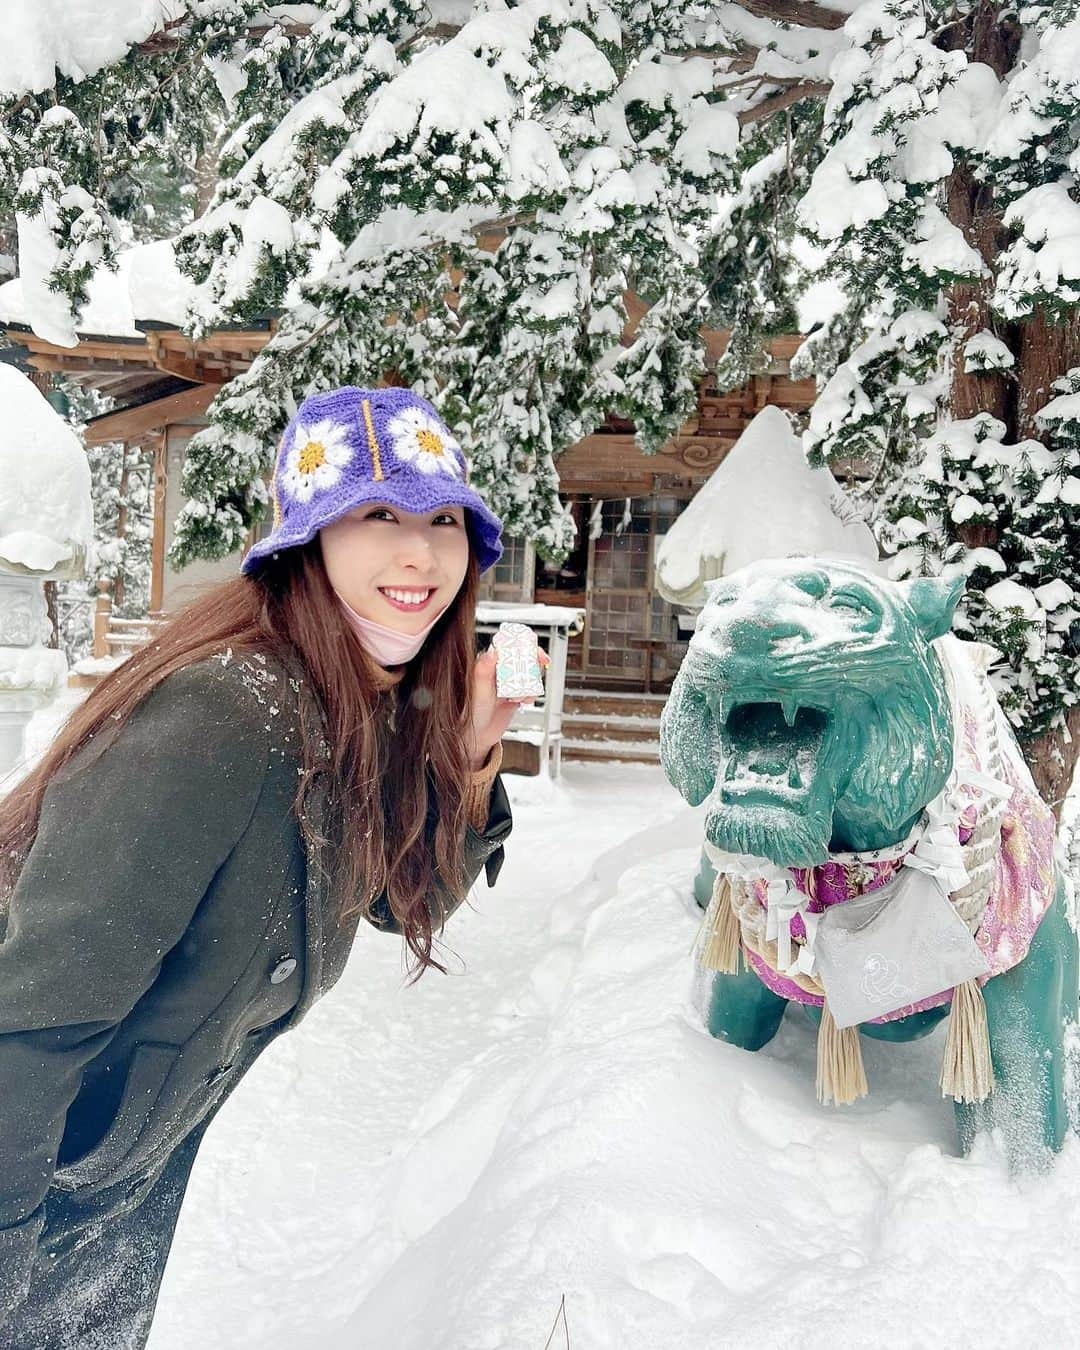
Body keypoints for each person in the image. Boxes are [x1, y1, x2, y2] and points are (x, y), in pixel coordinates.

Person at [0, 386, 525, 1349]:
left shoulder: (353, 706)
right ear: (308, 538)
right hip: (30, 1177)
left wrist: (470, 758)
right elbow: (29, 1019)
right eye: (379, 514)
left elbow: (398, 900)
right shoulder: (226, 717)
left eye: (443, 518)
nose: (420, 552)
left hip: (115, 1173)